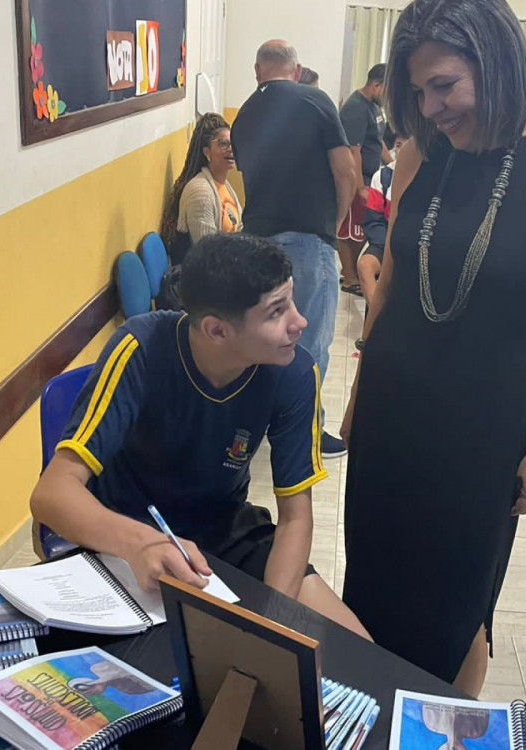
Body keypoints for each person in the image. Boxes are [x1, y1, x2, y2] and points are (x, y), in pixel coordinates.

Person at [340, 0, 526, 696]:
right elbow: (394, 286)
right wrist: (357, 389)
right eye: (419, 91)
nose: (431, 107)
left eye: (446, 85)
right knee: (370, 589)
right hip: (389, 417)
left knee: (459, 608)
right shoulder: (417, 153)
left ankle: (447, 730)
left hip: (481, 437)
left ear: (495, 65)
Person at [30, 233, 369, 639]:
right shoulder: (141, 348)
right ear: (217, 331)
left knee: (357, 651)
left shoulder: (294, 373)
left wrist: (268, 621)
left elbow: (295, 517)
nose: (300, 322)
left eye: (292, 301)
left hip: (222, 532)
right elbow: (51, 495)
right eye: (277, 312)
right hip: (120, 532)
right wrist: (140, 544)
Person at [231, 39, 360, 459]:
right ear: (297, 69)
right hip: (306, 240)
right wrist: (335, 224)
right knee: (308, 342)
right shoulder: (315, 101)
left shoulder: (243, 115)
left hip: (255, 241)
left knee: (261, 339)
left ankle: (257, 425)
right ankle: (307, 432)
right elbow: (346, 171)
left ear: (257, 72)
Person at [160, 114, 242, 264]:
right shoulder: (200, 192)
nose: (231, 149)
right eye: (223, 144)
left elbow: (240, 229)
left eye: (232, 143)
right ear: (206, 152)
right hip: (203, 279)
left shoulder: (224, 186)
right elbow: (208, 254)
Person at [337, 63, 389, 296]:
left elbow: (378, 140)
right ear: (376, 85)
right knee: (352, 229)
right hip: (356, 179)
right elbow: (353, 150)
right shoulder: (356, 108)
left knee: (364, 227)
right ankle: (349, 277)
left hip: (371, 176)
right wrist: (359, 187)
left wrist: (392, 164)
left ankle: (352, 272)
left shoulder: (374, 107)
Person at [357, 126, 407, 318]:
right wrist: (388, 247)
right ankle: (378, 319)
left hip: (411, 245)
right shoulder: (383, 176)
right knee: (365, 265)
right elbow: (373, 220)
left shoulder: (425, 176)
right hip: (384, 242)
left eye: (407, 145)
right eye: (398, 145)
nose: (402, 150)